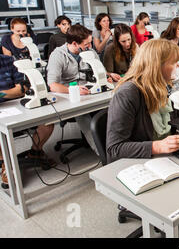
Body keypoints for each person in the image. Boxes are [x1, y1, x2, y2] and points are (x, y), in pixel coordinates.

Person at [107, 39, 179, 238]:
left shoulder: (161, 87)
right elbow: (114, 149)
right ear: (157, 65)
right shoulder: (128, 94)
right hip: (138, 164)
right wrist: (158, 146)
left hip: (164, 157)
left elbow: (168, 125)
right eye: (174, 62)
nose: (178, 66)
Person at [47, 24, 111, 155]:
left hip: (90, 90)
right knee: (84, 116)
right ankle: (102, 153)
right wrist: (73, 90)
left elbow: (101, 72)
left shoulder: (90, 52)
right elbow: (52, 85)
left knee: (111, 108)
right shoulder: (58, 55)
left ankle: (114, 143)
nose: (90, 47)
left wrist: (107, 76)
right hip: (68, 94)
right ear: (75, 43)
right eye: (86, 44)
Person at [0, 54, 55, 189]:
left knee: (48, 120)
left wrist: (3, 93)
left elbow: (22, 89)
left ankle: (35, 151)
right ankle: (5, 164)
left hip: (16, 104)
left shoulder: (8, 60)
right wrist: (10, 91)